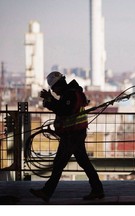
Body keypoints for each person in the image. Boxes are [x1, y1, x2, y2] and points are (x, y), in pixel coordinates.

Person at [30, 71, 104, 203]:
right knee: (84, 163)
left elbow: (65, 110)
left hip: (72, 135)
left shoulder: (71, 94)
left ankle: (46, 192)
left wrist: (49, 102)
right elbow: (63, 107)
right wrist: (50, 99)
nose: (54, 91)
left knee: (59, 164)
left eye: (53, 89)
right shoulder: (70, 93)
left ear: (58, 85)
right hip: (75, 134)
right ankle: (98, 190)